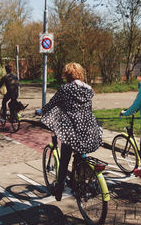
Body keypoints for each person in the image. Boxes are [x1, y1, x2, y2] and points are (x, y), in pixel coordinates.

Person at [37, 62, 103, 201]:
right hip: (89, 129)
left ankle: (59, 190)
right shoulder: (88, 89)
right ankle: (83, 177)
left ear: (67, 75)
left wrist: (41, 111)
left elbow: (52, 103)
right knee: (81, 153)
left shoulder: (65, 89)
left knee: (64, 160)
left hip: (72, 131)